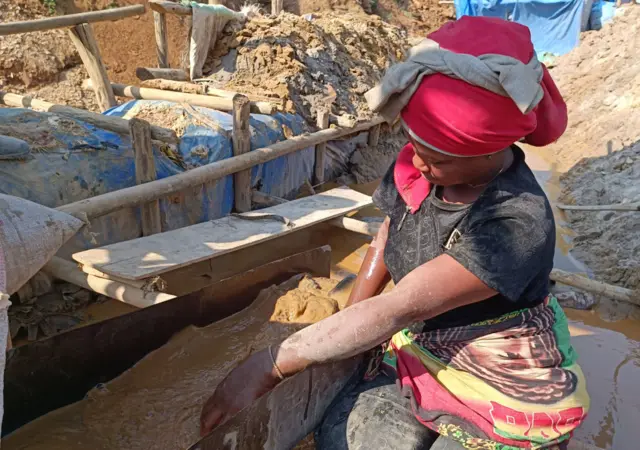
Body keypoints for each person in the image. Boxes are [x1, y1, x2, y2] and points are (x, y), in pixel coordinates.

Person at [200, 16, 590, 450]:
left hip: (501, 366)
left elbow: (401, 306)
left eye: (437, 158)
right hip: (421, 344)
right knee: (344, 439)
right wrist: (344, 334)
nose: (419, 164)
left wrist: (271, 363)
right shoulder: (417, 166)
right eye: (415, 145)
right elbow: (388, 238)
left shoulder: (518, 222)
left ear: (489, 150)